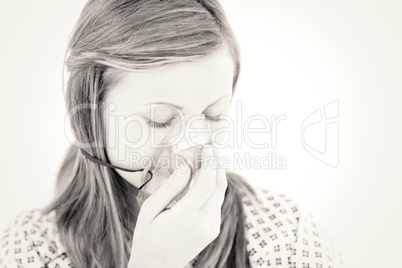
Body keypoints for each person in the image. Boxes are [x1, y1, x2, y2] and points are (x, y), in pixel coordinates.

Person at [0, 0, 344, 267]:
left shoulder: (283, 233)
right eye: (160, 120)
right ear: (91, 118)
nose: (190, 146)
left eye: (213, 114)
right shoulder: (33, 247)